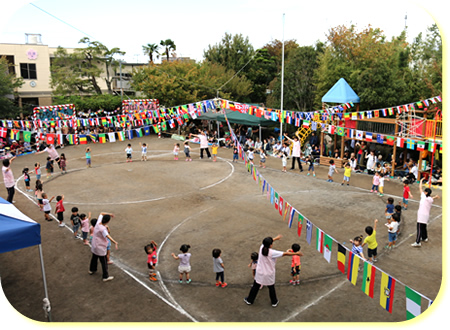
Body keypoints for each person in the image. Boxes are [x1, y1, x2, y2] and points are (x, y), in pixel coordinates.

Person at [244, 235, 302, 307]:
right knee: (271, 288)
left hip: (260, 272)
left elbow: (266, 243)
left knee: (255, 287)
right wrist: (296, 253)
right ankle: (274, 302)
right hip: (269, 273)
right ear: (270, 245)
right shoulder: (272, 252)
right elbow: (285, 253)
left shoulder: (261, 247)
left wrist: (275, 239)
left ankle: (250, 300)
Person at [89, 212, 118, 282]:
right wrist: (115, 242)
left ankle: (92, 269)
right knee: (104, 261)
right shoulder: (103, 229)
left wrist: (110, 214)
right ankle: (105, 276)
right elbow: (107, 236)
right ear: (108, 221)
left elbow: (101, 213)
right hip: (100, 247)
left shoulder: (98, 223)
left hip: (94, 244)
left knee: (94, 257)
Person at [412, 178, 440, 247]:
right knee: (424, 227)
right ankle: (425, 237)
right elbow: (431, 198)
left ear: (426, 193)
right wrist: (435, 197)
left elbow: (420, 188)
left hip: (421, 215)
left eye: (425, 192)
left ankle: (418, 242)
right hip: (426, 215)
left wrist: (421, 181)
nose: (423, 192)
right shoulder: (430, 199)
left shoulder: (423, 197)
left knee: (419, 228)